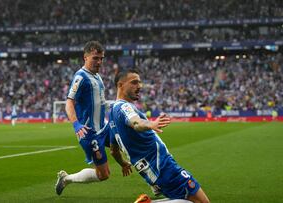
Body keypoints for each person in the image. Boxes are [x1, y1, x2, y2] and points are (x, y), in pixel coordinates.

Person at [109, 69, 210, 203]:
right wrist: (150, 124)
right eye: (134, 82)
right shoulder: (124, 107)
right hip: (163, 167)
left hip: (152, 171)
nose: (139, 86)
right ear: (120, 85)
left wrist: (123, 164)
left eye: (139, 83)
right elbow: (136, 122)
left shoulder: (111, 116)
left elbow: (113, 149)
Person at [55, 41, 131, 195]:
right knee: (104, 175)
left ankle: (153, 180)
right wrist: (76, 125)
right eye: (95, 58)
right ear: (85, 57)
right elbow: (69, 102)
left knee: (130, 140)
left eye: (101, 58)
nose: (99, 62)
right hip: (89, 133)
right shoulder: (81, 77)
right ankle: (66, 179)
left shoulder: (97, 76)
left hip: (102, 128)